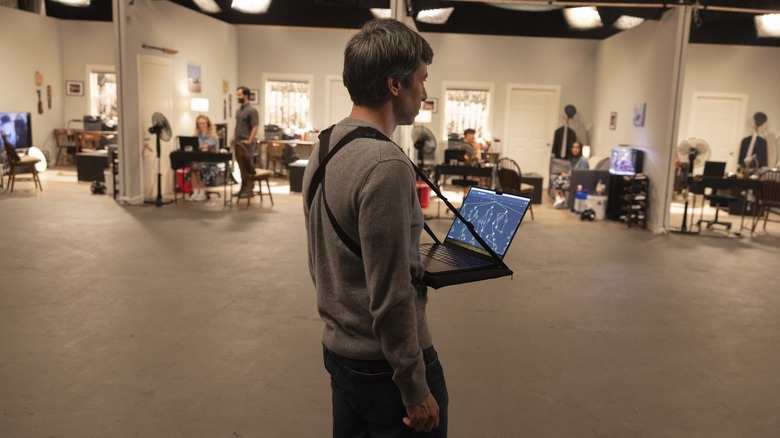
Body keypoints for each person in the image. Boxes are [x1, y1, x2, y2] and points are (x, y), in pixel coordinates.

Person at [302, 19, 447, 437]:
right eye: (422, 79)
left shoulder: (324, 145)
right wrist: (414, 386)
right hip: (384, 367)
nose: (425, 92)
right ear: (395, 85)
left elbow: (320, 258)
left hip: (340, 351)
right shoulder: (386, 165)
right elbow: (391, 293)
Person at [233, 86, 259, 198]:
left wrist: (249, 140)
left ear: (246, 95)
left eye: (239, 94)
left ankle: (249, 190)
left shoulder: (252, 110)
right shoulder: (239, 111)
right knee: (241, 167)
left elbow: (255, 126)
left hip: (246, 144)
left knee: (248, 167)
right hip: (238, 143)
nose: (237, 97)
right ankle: (242, 189)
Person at [188, 115, 220, 202]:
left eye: (203, 123)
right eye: (199, 124)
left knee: (199, 167)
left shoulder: (214, 137)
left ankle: (202, 192)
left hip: (210, 162)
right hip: (199, 160)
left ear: (207, 124)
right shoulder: (195, 137)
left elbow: (216, 152)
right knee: (193, 167)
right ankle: (195, 191)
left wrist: (208, 147)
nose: (201, 125)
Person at [553, 141, 589, 208]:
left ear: (580, 149)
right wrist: (566, 174)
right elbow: (572, 172)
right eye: (573, 147)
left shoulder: (583, 160)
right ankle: (560, 199)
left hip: (577, 182)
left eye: (577, 148)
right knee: (557, 178)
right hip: (571, 179)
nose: (575, 149)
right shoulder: (574, 159)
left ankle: (560, 199)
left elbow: (582, 175)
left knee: (558, 181)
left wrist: (567, 175)